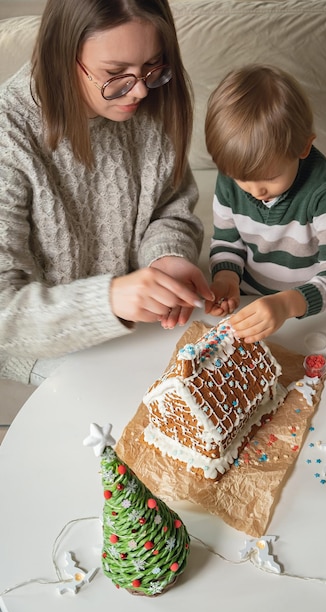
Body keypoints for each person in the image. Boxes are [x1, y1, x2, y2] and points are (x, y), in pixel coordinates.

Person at [0, 0, 214, 385]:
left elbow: (170, 208)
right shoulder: (9, 136)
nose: (141, 91)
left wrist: (167, 257)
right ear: (61, 57)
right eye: (116, 74)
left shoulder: (151, 102)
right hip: (37, 343)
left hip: (134, 320)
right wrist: (109, 300)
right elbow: (5, 314)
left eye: (153, 66)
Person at [204, 64, 326, 342]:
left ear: (303, 147)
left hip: (315, 311)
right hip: (252, 305)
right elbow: (227, 242)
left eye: (270, 177)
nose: (254, 190)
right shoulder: (231, 177)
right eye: (242, 179)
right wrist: (227, 277)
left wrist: (287, 304)